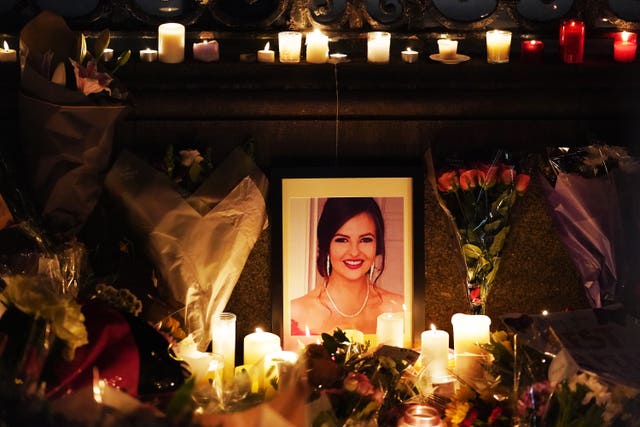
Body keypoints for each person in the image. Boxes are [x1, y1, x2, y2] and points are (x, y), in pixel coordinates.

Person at [290, 197, 404, 335]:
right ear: (327, 245)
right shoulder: (294, 314)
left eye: (365, 240)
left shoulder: (400, 310)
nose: (354, 252)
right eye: (342, 240)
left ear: (377, 245)